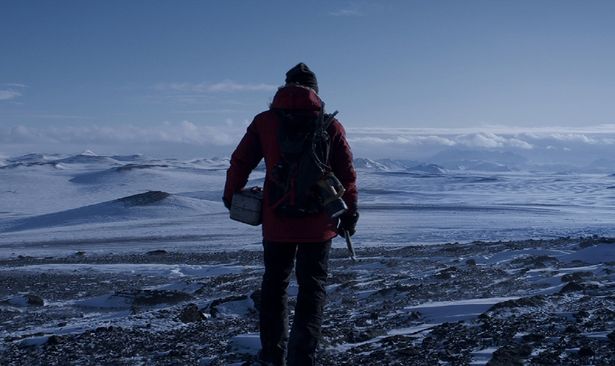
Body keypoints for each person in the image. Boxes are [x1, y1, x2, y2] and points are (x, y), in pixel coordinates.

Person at [223, 63, 358, 365]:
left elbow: (240, 161)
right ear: (315, 91)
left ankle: (272, 355)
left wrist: (232, 195)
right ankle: (302, 358)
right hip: (319, 224)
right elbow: (347, 174)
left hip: (277, 221)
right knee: (312, 289)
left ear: (284, 87)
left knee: (275, 285)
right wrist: (350, 212)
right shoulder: (329, 125)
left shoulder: (265, 122)